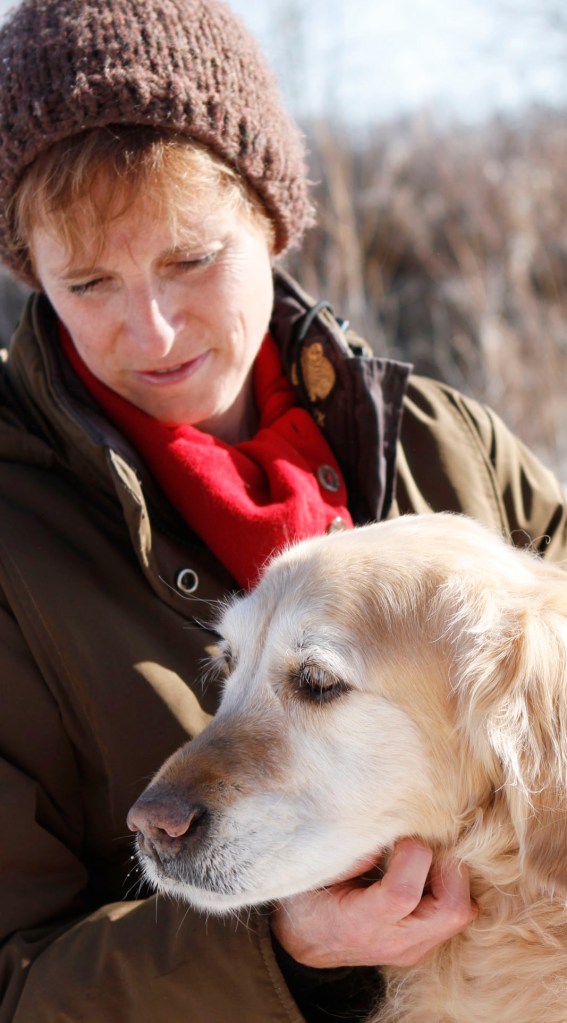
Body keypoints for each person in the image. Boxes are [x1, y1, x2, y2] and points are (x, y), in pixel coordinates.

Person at [0, 1, 565, 1021]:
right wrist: (288, 953)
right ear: (31, 276)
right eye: (87, 281)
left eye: (191, 260)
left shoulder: (450, 445)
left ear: (271, 221)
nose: (153, 327)